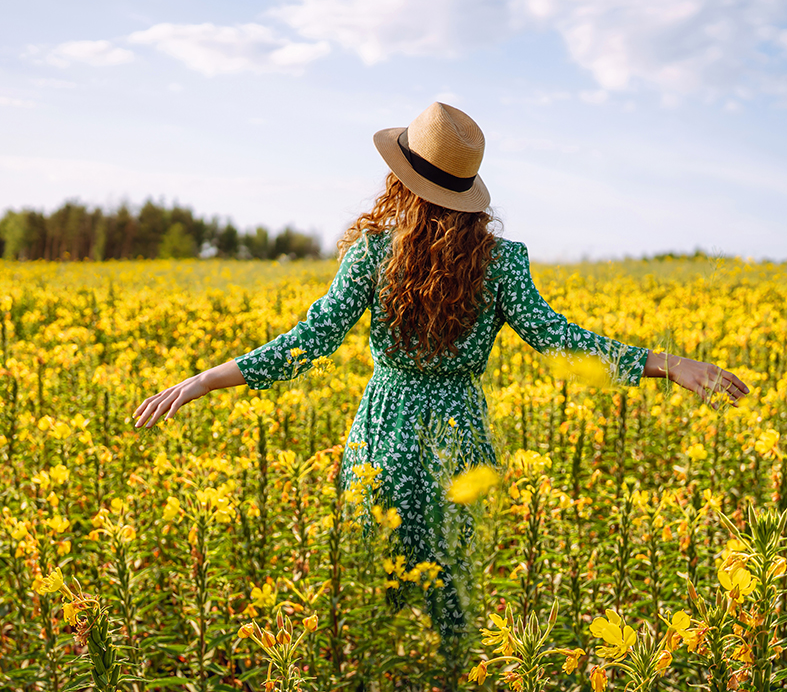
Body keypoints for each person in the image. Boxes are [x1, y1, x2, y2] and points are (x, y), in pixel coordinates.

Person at [133, 101, 750, 667]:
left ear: (401, 181)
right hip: (460, 441)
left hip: (384, 435)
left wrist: (206, 379)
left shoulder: (373, 255)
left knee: (379, 591)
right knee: (453, 590)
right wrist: (667, 363)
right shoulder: (502, 261)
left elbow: (307, 341)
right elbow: (561, 339)